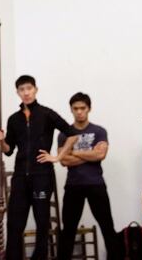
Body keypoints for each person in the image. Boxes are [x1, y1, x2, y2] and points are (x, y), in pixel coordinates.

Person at [0, 75, 77, 260]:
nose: (26, 93)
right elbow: (8, 150)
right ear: (18, 93)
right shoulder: (14, 119)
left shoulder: (47, 114)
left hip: (42, 176)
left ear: (35, 90)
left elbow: (72, 134)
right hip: (20, 177)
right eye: (22, 89)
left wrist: (57, 157)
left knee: (42, 223)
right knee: (14, 224)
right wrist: (1, 141)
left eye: (29, 88)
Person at [55, 92, 118, 260]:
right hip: (73, 185)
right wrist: (90, 154)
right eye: (75, 108)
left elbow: (100, 155)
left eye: (82, 108)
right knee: (68, 229)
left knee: (107, 226)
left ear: (89, 108)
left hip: (96, 184)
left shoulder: (99, 131)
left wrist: (73, 152)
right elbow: (63, 161)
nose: (79, 112)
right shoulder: (64, 134)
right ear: (71, 110)